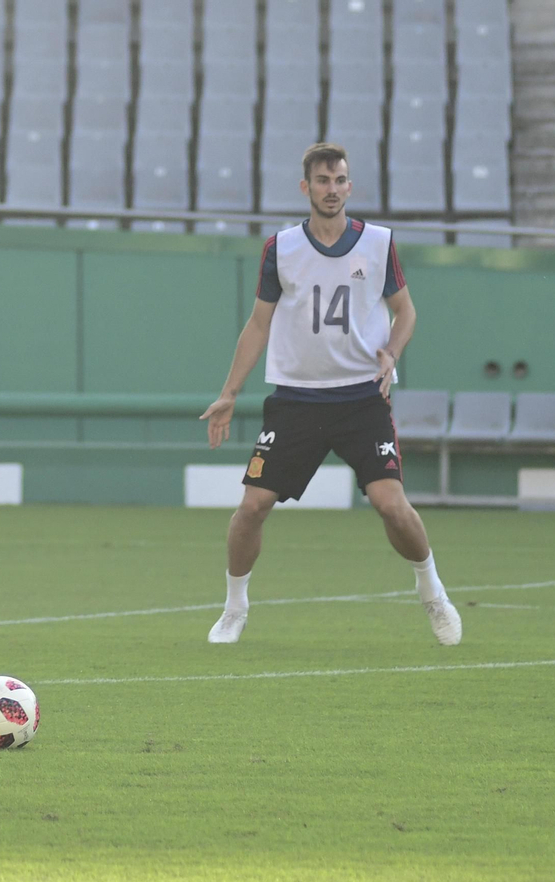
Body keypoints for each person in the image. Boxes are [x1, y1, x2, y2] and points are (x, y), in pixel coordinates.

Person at [198, 142, 461, 647]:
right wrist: (230, 392)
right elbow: (258, 325)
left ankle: (433, 592)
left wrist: (392, 352)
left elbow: (406, 313)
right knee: (252, 507)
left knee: (391, 504)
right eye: (323, 180)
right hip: (297, 399)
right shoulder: (281, 248)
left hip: (362, 399)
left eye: (340, 180)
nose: (333, 189)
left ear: (349, 185)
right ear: (306, 187)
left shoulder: (379, 243)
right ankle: (234, 608)